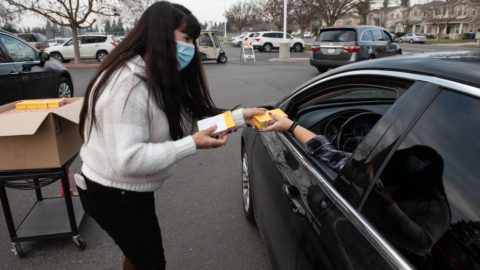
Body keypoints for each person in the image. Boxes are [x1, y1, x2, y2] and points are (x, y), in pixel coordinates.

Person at [77, 2, 265, 270]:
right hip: (112, 194)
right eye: (186, 38)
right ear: (160, 34)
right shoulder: (126, 86)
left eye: (193, 40)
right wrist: (191, 145)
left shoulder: (155, 75)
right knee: (151, 261)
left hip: (130, 191)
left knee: (139, 254)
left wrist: (241, 117)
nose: (191, 47)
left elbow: (190, 124)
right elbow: (128, 160)